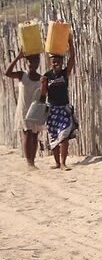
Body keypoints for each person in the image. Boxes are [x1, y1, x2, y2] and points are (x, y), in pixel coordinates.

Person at [41, 35, 77, 171]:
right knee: (54, 137)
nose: (55, 64)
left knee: (64, 136)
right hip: (52, 110)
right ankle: (57, 163)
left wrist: (70, 43)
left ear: (61, 62)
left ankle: (63, 163)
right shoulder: (46, 76)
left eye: (57, 62)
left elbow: (72, 59)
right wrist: (43, 85)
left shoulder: (64, 74)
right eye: (53, 62)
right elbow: (43, 94)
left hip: (64, 109)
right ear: (50, 63)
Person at [5, 51, 44, 168]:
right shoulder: (22, 75)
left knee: (35, 134)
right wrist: (18, 57)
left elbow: (43, 95)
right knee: (27, 133)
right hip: (24, 109)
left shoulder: (41, 78)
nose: (33, 64)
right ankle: (29, 162)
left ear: (38, 63)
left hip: (35, 109)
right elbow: (7, 73)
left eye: (36, 62)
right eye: (31, 62)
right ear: (27, 63)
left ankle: (33, 160)